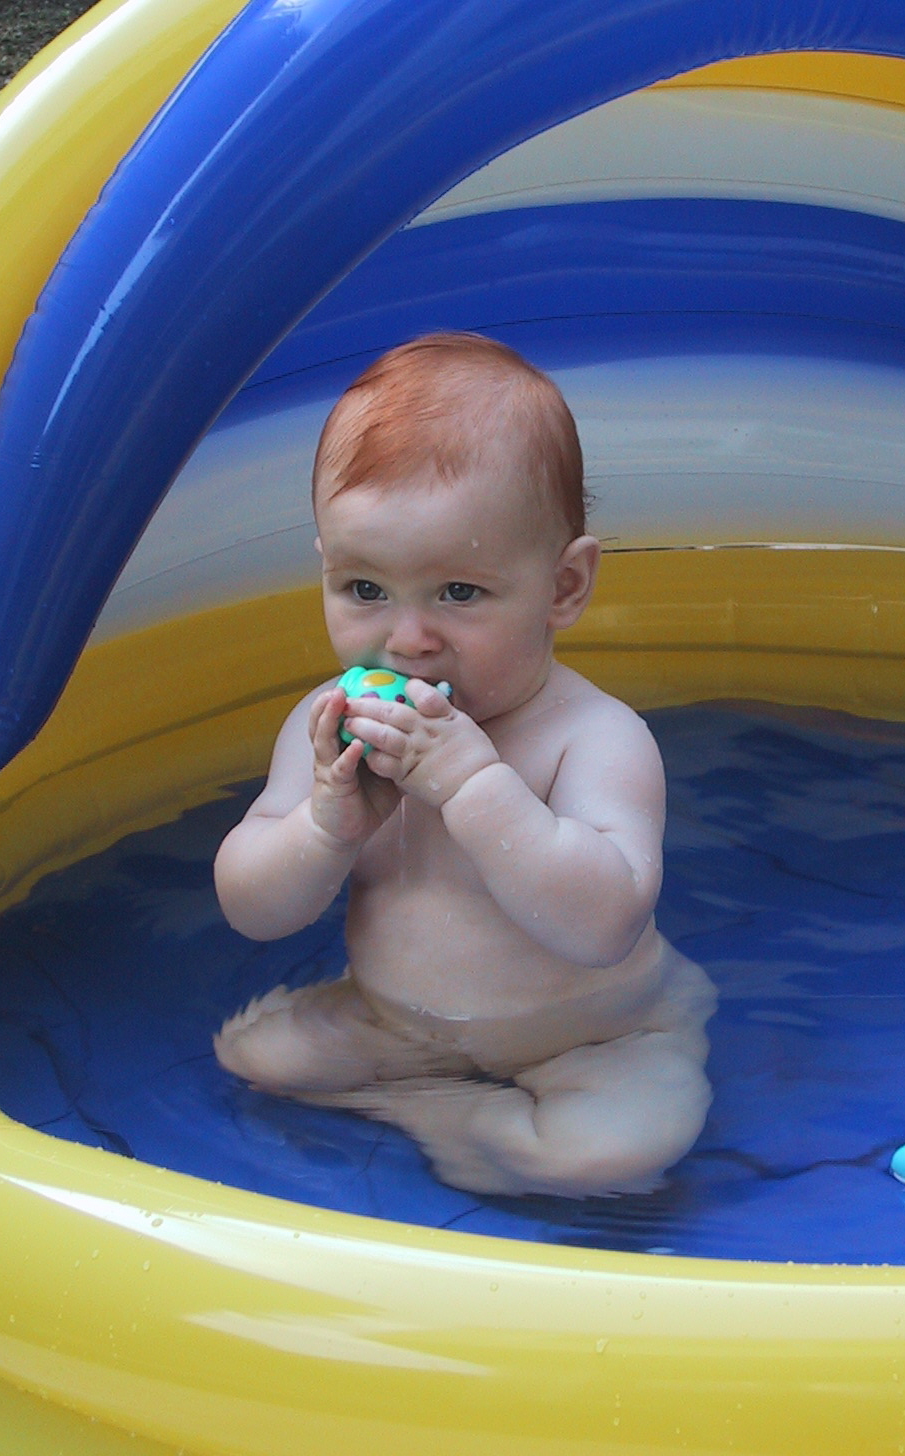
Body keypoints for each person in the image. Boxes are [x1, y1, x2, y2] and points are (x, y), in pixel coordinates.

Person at [213, 332, 716, 1197]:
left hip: (597, 1037)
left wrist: (474, 786)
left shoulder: (593, 737)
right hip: (393, 1024)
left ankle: (439, 1114)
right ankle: (437, 1100)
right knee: (256, 1055)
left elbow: (604, 927)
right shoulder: (328, 726)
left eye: (459, 592)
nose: (408, 639)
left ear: (564, 587)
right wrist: (324, 827)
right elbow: (252, 910)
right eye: (365, 589)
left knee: (608, 1152)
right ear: (325, 568)